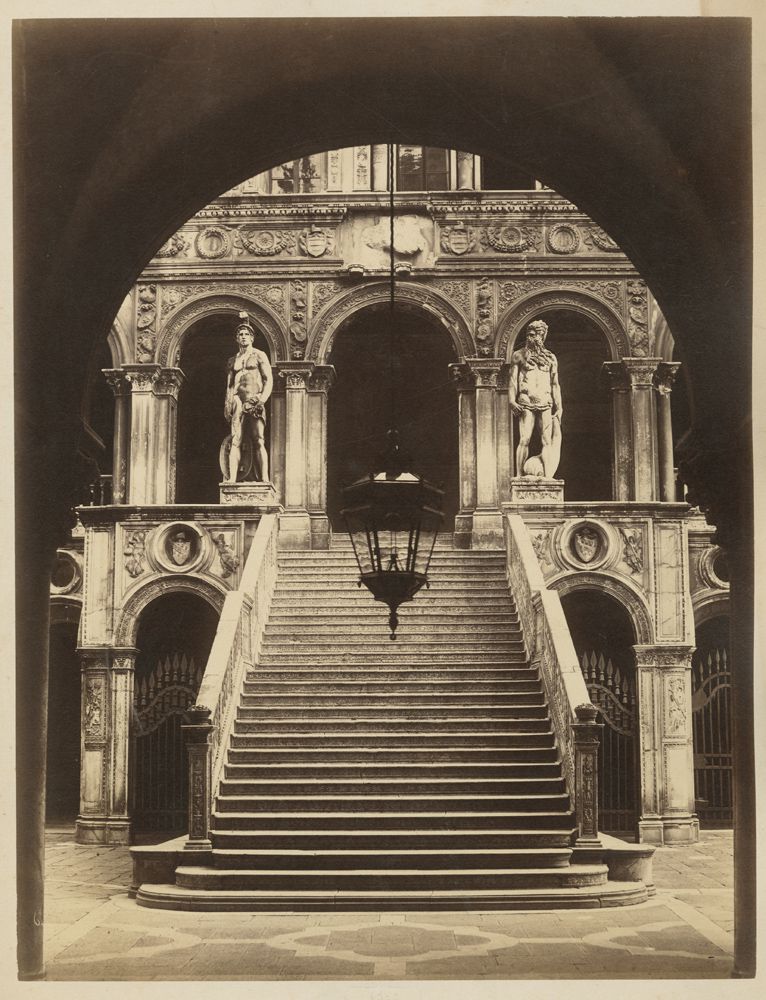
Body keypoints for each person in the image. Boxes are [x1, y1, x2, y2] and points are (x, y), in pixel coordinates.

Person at [509, 318, 563, 478]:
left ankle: (547, 477)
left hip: (546, 402)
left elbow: (555, 384)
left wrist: (560, 407)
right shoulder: (519, 356)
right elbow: (512, 381)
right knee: (524, 438)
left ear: (543, 336)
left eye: (538, 335)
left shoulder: (551, 358)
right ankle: (518, 476)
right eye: (531, 334)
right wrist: (512, 400)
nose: (534, 338)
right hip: (526, 402)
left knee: (546, 440)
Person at [224, 313, 273, 482]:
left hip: (254, 399)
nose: (243, 337)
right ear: (237, 338)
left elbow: (268, 379)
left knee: (259, 439)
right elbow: (230, 385)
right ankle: (231, 479)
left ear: (252, 337)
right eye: (240, 335)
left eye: (246, 334)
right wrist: (227, 403)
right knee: (235, 439)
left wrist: (261, 399)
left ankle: (265, 479)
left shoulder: (259, 355)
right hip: (237, 400)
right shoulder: (232, 360)